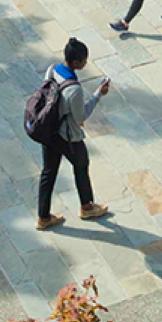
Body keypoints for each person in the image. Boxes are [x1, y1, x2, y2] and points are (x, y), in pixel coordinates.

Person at [36, 38, 112, 230]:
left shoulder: (52, 69)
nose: (86, 63)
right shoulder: (75, 90)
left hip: (48, 130)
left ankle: (43, 217)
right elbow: (80, 117)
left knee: (48, 172)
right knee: (81, 165)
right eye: (84, 60)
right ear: (76, 63)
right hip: (67, 136)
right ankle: (87, 207)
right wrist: (98, 95)